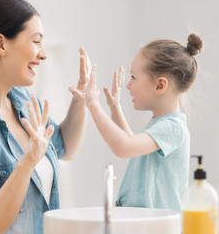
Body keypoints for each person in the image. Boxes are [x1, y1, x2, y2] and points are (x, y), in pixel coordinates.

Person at [0, 0, 91, 233]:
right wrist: (28, 162)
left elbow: (65, 147)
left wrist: (81, 100)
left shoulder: (20, 99)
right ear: (0, 44)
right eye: (36, 41)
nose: (43, 54)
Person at [83, 34, 203, 212]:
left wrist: (93, 103)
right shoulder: (163, 124)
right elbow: (133, 145)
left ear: (160, 85)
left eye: (133, 77)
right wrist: (115, 108)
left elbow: (124, 147)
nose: (128, 85)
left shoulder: (173, 127)